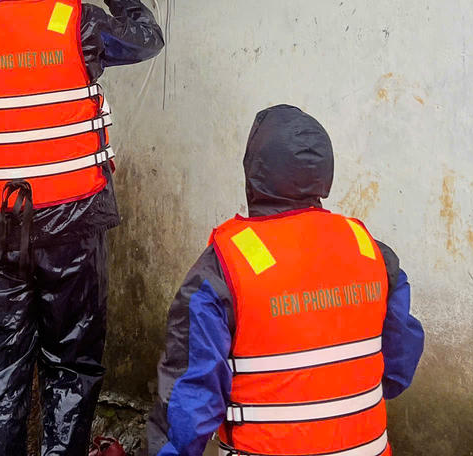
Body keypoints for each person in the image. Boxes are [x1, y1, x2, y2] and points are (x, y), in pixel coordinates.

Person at [0, 0, 164, 456]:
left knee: (0, 366)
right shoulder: (78, 22)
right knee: (72, 360)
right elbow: (148, 39)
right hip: (72, 221)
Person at [148, 105, 425, 456]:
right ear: (325, 172)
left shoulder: (225, 266)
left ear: (254, 171)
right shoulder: (370, 252)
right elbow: (399, 368)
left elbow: (189, 401)